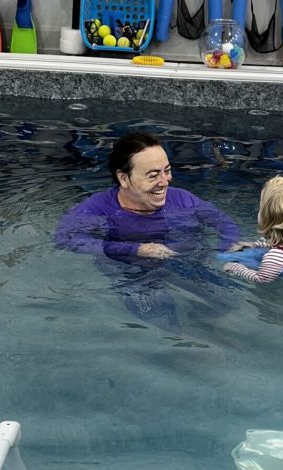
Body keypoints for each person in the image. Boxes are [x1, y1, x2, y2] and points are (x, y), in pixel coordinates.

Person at [54, 132, 240, 331]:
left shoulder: (183, 200)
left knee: (228, 301)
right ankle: (184, 342)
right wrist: (136, 249)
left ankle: (200, 326)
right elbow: (64, 239)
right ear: (124, 178)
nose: (165, 181)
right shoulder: (97, 209)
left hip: (185, 263)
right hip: (132, 272)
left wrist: (228, 247)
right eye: (153, 175)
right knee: (161, 318)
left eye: (166, 171)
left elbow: (224, 224)